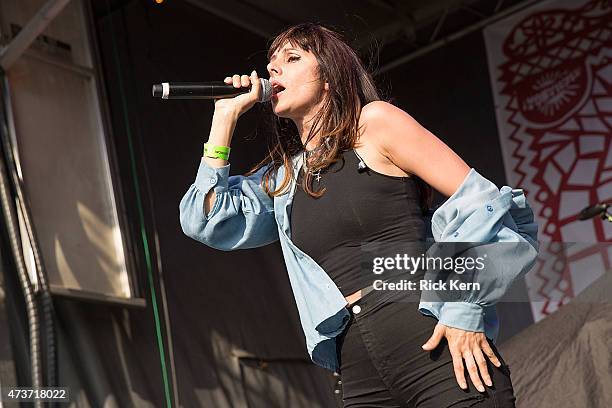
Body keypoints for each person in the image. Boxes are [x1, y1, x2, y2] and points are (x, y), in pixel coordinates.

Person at [179, 23, 538, 408]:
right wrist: (224, 118)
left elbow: (484, 204)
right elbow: (207, 219)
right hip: (356, 361)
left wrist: (464, 311)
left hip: (427, 333)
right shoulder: (285, 178)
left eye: (292, 58)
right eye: (270, 65)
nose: (273, 70)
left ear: (330, 77)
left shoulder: (374, 124)